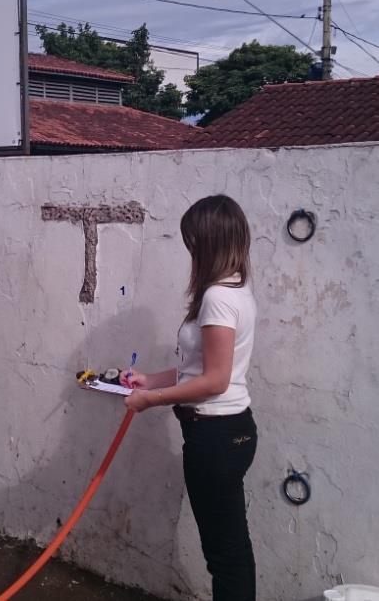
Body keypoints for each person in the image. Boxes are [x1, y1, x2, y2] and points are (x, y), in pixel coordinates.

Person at [122, 194, 258, 601]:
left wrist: (153, 399)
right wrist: (149, 379)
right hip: (230, 432)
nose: (190, 250)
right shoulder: (237, 289)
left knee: (224, 556)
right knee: (231, 549)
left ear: (209, 242)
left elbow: (215, 381)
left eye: (193, 241)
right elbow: (200, 369)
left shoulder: (217, 297)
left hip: (214, 435)